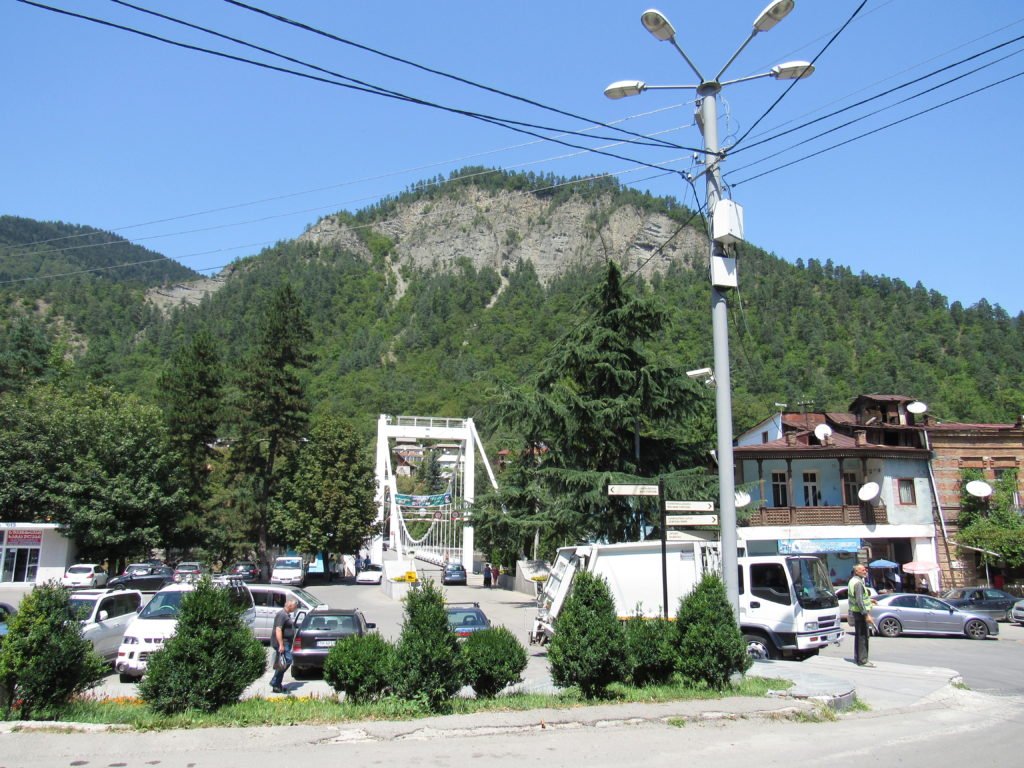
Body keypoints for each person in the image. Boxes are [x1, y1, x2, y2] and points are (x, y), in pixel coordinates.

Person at [848, 564, 877, 667]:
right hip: (860, 613)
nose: (865, 572)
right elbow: (859, 601)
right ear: (856, 572)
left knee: (859, 635)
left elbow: (859, 598)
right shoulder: (858, 583)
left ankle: (858, 658)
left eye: (865, 570)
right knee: (863, 636)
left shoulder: (853, 581)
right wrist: (866, 615)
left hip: (856, 612)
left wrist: (870, 600)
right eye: (863, 570)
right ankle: (863, 660)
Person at [270, 598, 299, 693]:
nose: (295, 608)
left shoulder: (286, 615)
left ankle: (277, 685)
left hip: (286, 643)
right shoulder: (281, 615)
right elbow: (278, 630)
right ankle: (275, 681)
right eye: (295, 606)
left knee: (282, 663)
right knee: (288, 660)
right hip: (283, 643)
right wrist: (281, 645)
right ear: (290, 605)